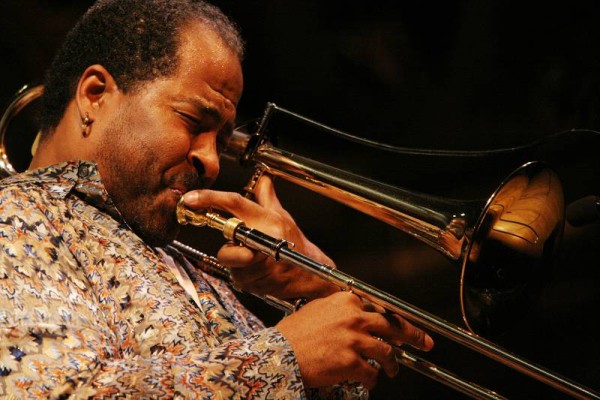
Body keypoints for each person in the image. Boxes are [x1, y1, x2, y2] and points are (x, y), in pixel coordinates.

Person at [0, 0, 433, 398]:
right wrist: (285, 359)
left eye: (222, 140)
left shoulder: (183, 263)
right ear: (95, 94)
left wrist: (316, 288)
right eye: (193, 119)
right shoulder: (14, 218)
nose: (211, 160)